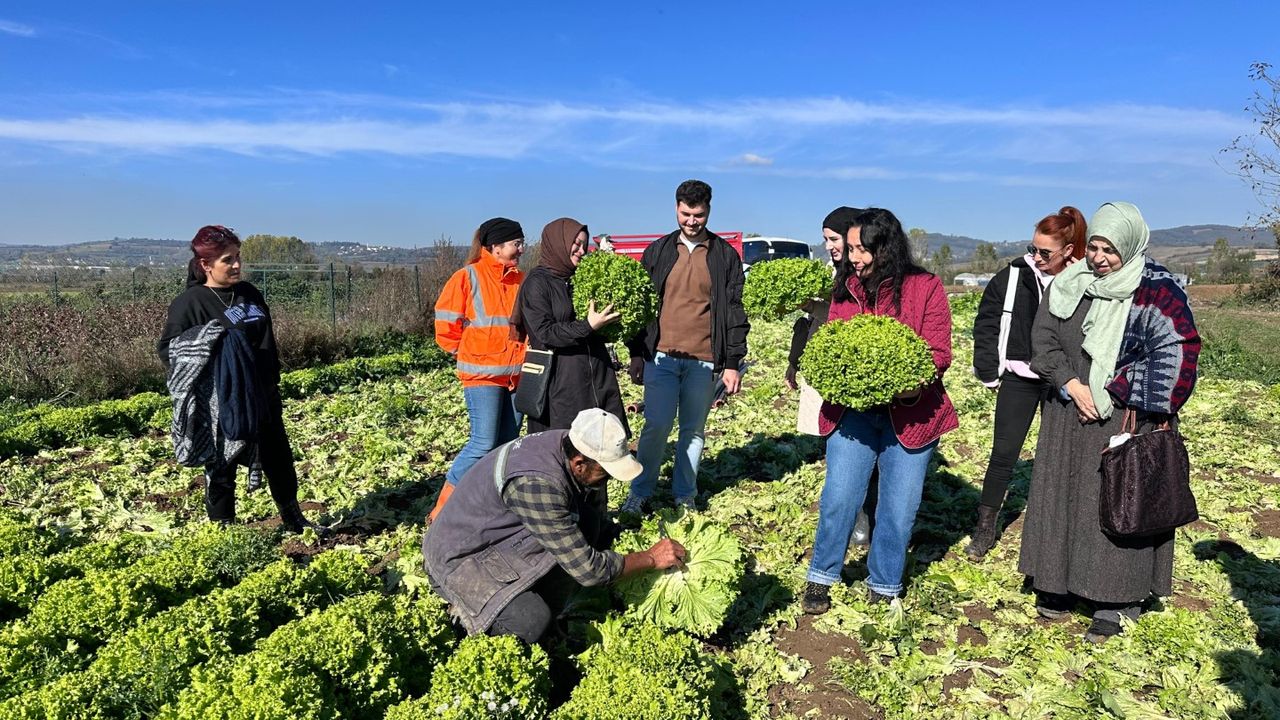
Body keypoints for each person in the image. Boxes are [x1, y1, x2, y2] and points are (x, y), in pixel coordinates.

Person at [1020, 202, 1200, 642]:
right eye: (1095, 247)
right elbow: (1042, 339)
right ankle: (1057, 583)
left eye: (1110, 250)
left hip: (1125, 417)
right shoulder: (1069, 284)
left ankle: (1116, 600)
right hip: (1069, 411)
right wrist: (1070, 383)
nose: (1099, 258)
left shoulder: (1158, 293)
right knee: (1063, 497)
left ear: (1132, 246)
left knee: (1117, 500)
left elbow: (1179, 353)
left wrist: (1120, 386)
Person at [802, 208, 959, 614]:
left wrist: (909, 384)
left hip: (912, 414)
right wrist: (840, 375)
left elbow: (939, 351)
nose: (853, 257)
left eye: (861, 249)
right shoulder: (847, 288)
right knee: (839, 496)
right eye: (850, 248)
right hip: (853, 413)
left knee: (898, 507)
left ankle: (885, 581)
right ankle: (822, 575)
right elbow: (831, 344)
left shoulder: (925, 287)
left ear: (884, 247)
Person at [423, 409, 687, 644]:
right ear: (580, 463)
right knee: (530, 621)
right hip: (458, 560)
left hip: (492, 536)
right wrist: (650, 558)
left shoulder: (566, 442)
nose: (607, 481)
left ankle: (548, 615)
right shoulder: (538, 484)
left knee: (589, 522)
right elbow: (590, 570)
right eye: (605, 473)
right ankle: (467, 619)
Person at [157, 225, 323, 534]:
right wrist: (212, 345)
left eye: (237, 257)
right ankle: (225, 531)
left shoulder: (248, 293)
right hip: (222, 402)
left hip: (263, 394)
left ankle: (293, 518)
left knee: (279, 459)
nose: (236, 265)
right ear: (206, 265)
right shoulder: (190, 303)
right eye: (227, 260)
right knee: (222, 467)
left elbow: (265, 340)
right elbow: (169, 350)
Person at [620, 179, 750, 514]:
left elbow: (736, 310)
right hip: (660, 357)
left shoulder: (724, 256)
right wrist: (636, 352)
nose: (691, 221)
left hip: (705, 360)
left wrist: (733, 361)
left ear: (708, 211)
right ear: (676, 209)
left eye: (698, 214)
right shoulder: (659, 251)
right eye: (685, 213)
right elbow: (641, 306)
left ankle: (684, 493)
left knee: (693, 431)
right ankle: (641, 489)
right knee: (657, 425)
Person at [966, 206, 1087, 558]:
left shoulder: (1084, 280)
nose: (1036, 257)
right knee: (1003, 454)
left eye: (1045, 252)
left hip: (1063, 381)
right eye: (1033, 248)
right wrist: (989, 370)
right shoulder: (1013, 276)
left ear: (1068, 250)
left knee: (1063, 457)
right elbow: (986, 322)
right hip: (1020, 378)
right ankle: (985, 528)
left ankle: (1060, 529)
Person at [429, 218, 527, 521]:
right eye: (516, 243)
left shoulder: (521, 280)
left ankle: (488, 505)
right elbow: (445, 325)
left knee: (506, 446)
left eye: (521, 242)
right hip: (482, 376)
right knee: (482, 442)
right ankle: (442, 509)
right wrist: (467, 350)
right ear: (495, 247)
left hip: (516, 376)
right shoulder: (466, 277)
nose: (521, 249)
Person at [512, 218, 629, 435]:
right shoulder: (537, 283)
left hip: (597, 372)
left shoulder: (581, 278)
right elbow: (545, 333)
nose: (582, 250)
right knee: (566, 446)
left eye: (585, 245)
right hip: (561, 381)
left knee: (602, 443)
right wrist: (588, 326)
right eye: (576, 244)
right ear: (558, 242)